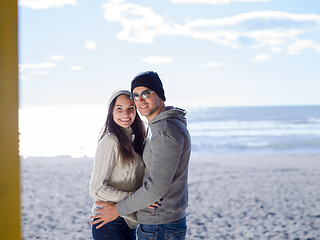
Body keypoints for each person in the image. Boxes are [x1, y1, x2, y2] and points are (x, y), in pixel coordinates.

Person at [91, 71, 191, 240]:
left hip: (156, 222)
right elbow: (97, 188)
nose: (140, 100)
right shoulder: (114, 140)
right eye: (136, 95)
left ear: (159, 94)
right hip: (120, 219)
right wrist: (121, 207)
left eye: (146, 93)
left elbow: (155, 188)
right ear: (111, 112)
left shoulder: (160, 131)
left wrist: (120, 208)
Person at [89, 90, 146, 240]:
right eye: (119, 109)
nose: (125, 114)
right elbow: (97, 188)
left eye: (130, 108)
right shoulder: (110, 141)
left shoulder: (134, 142)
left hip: (128, 221)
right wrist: (137, 199)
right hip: (109, 222)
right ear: (111, 112)